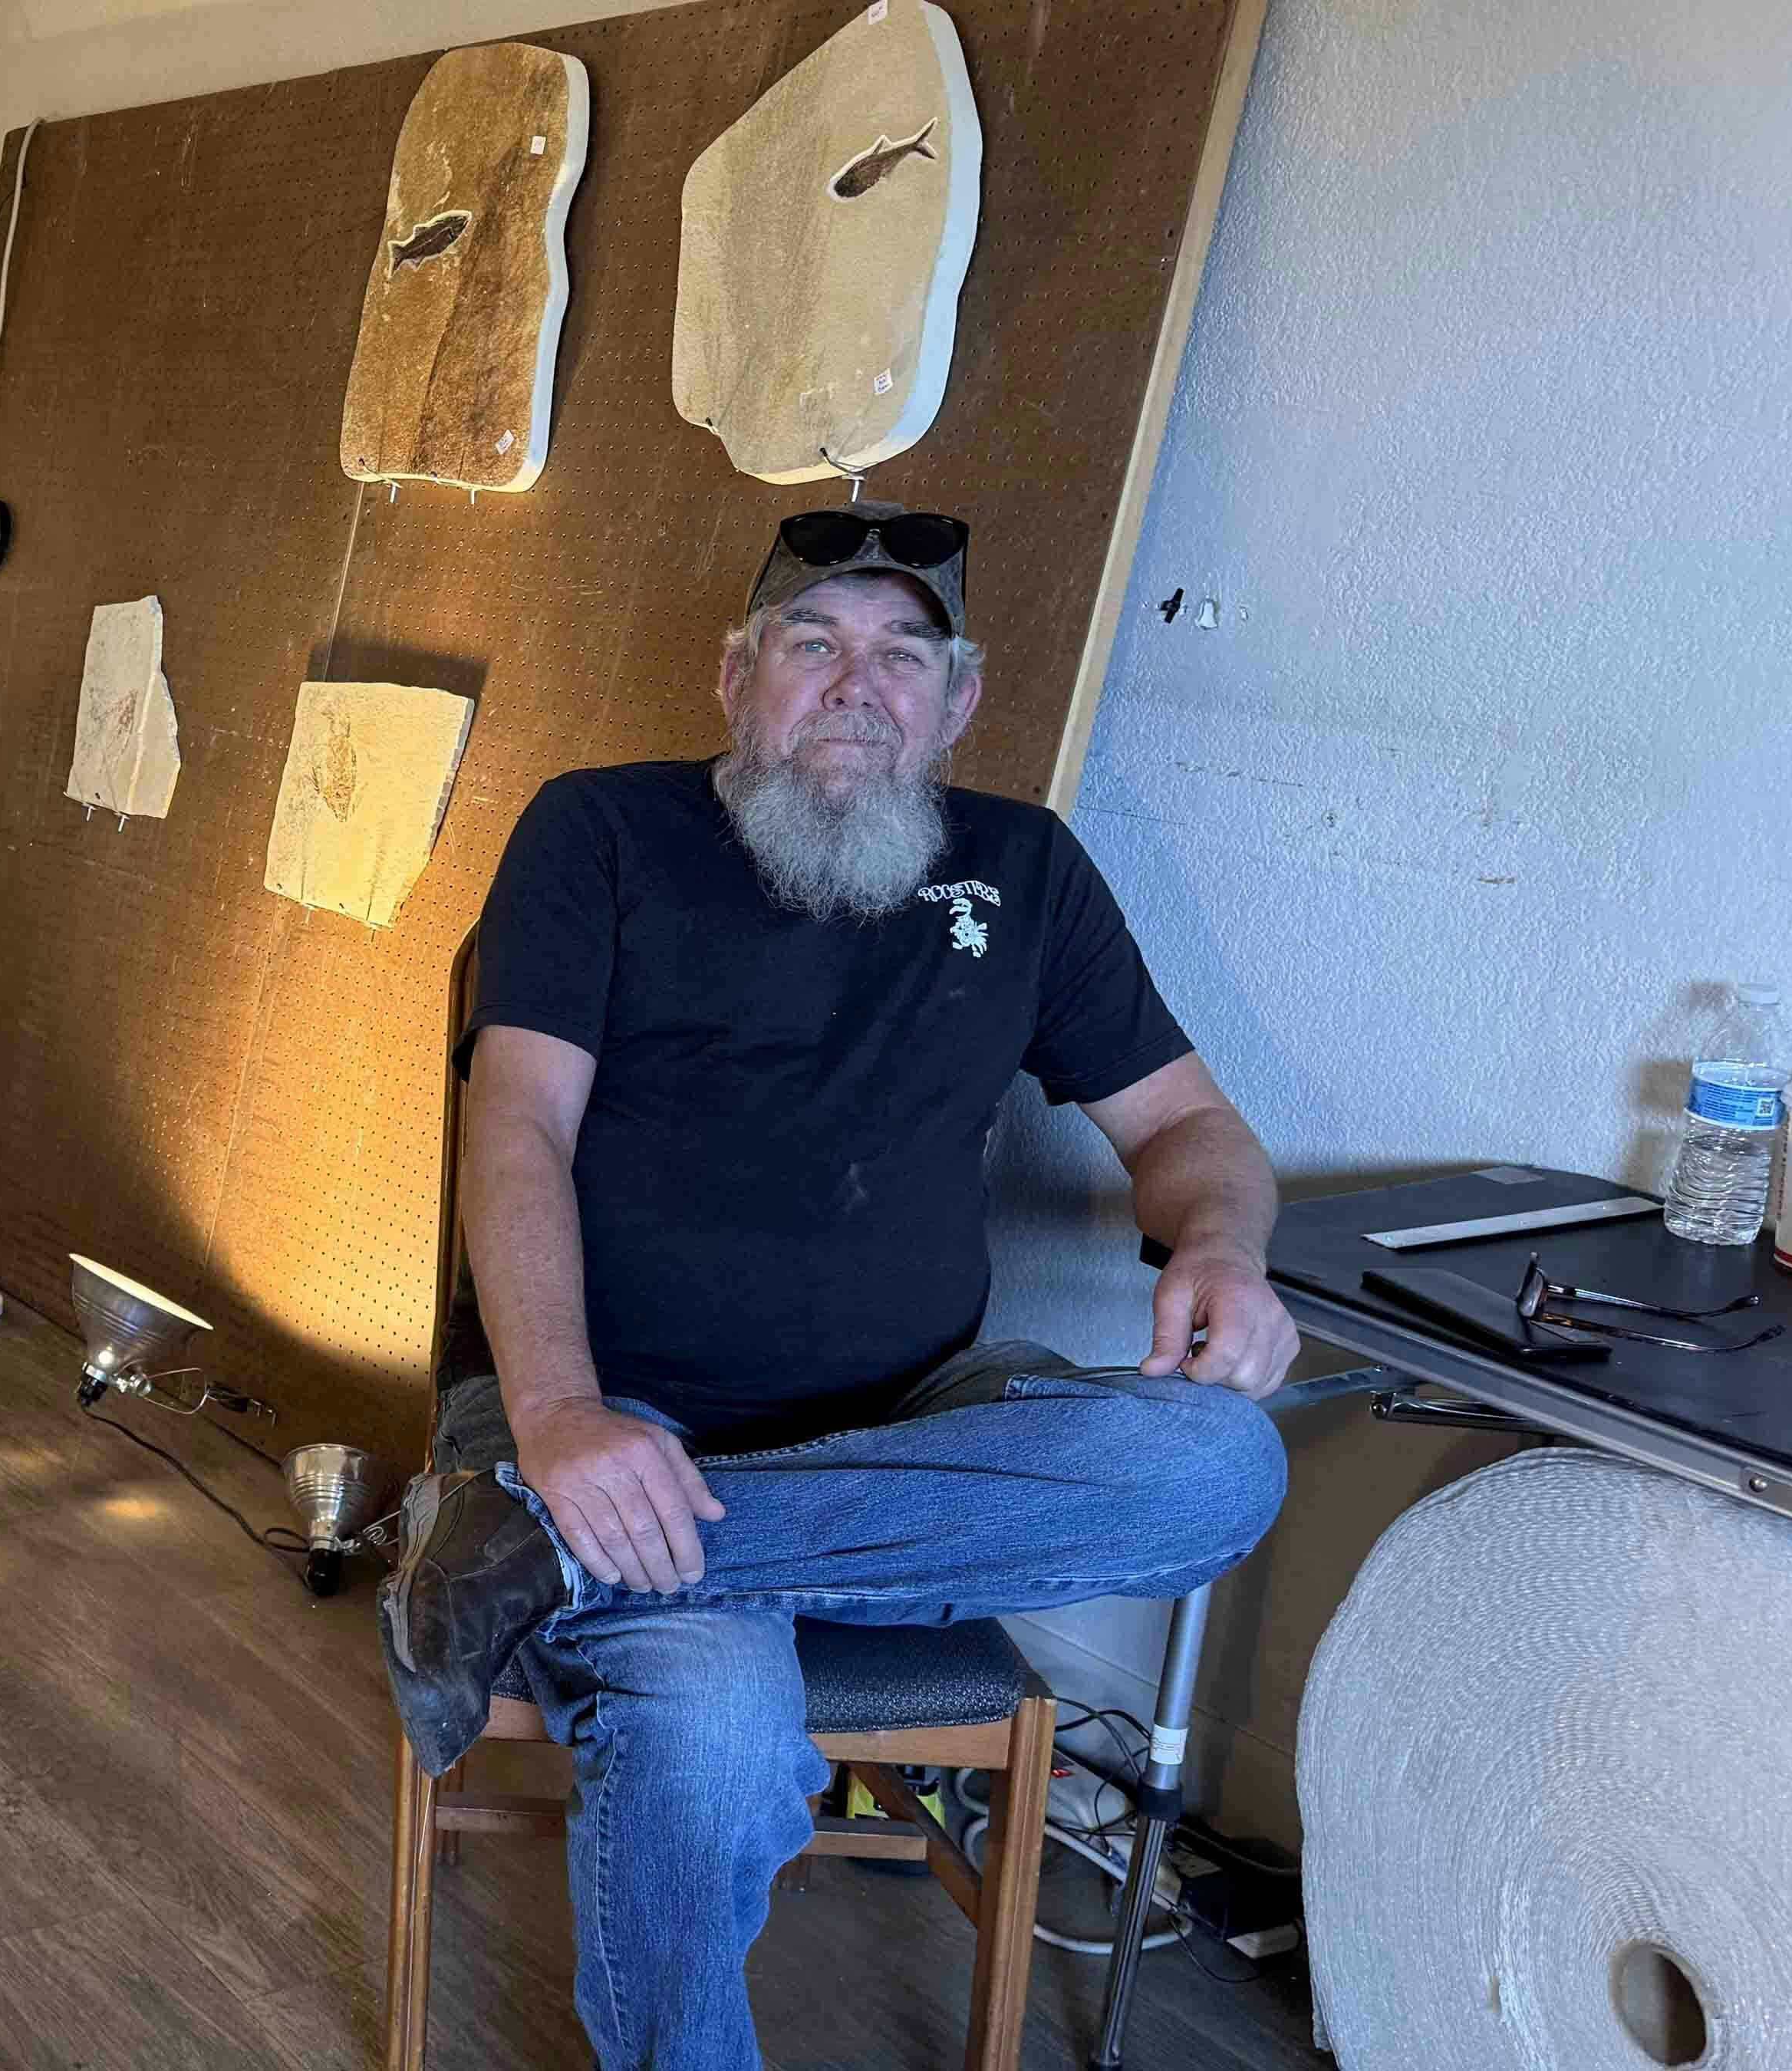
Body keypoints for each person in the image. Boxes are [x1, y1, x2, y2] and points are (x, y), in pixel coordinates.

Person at [380, 505, 1299, 2070]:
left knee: (1219, 1465)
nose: (857, 684)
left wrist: (1220, 1242)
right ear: (737, 676)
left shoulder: (1028, 872)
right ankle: (575, 1519)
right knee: (719, 1736)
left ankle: (544, 1558)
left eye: (903, 654)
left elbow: (1192, 1128)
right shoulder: (598, 832)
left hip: (915, 1432)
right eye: (814, 645)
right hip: (601, 1408)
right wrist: (556, 1413)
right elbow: (516, 1123)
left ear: (959, 703)